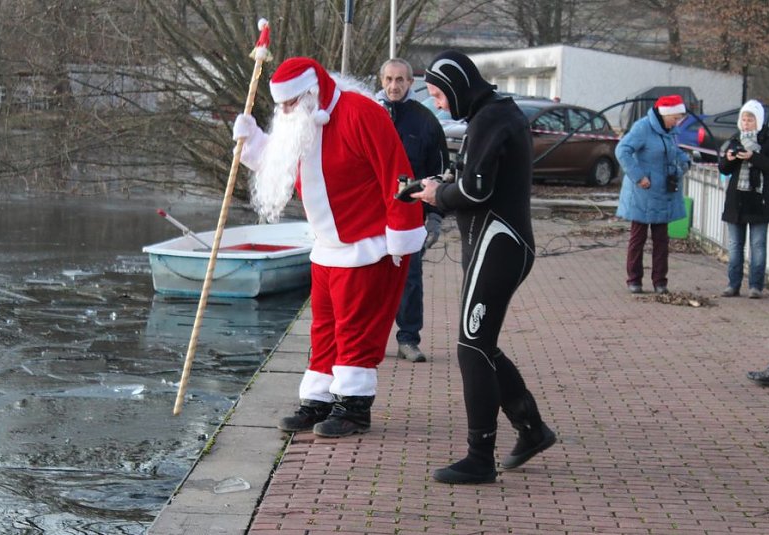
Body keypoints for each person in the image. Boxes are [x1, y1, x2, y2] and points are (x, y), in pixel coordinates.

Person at [232, 57, 426, 438]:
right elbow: (281, 163)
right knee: (323, 328)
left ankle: (353, 407)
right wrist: (252, 142)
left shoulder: (360, 113)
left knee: (355, 329)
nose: (285, 111)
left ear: (310, 93)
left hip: (366, 244)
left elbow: (399, 173)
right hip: (326, 245)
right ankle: (318, 400)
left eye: (290, 103)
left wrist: (403, 231)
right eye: (281, 105)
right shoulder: (298, 122)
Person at [412, 50, 556, 484]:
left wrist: (439, 196)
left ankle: (480, 457)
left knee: (471, 348)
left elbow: (475, 192)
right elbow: (475, 182)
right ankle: (531, 430)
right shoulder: (493, 114)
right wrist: (441, 187)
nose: (437, 103)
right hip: (498, 247)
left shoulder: (491, 119)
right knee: (483, 344)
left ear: (456, 88)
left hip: (500, 247)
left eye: (438, 94)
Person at [376, 58, 449, 363]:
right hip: (372, 214)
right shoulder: (370, 115)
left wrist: (435, 215)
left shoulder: (425, 121)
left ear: (410, 82)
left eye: (401, 80)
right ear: (382, 81)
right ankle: (371, 339)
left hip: (410, 215)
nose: (395, 86)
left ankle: (408, 338)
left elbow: (441, 171)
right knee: (369, 278)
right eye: (389, 79)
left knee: (410, 278)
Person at [615, 95, 691, 295]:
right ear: (665, 114)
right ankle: (634, 279)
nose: (678, 122)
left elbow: (673, 152)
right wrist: (638, 177)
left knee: (661, 239)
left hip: (663, 192)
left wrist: (685, 162)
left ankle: (660, 281)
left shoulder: (670, 131)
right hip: (643, 192)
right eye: (675, 117)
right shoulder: (642, 128)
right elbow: (622, 150)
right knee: (638, 237)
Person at [717, 99, 769, 299]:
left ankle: (756, 285)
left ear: (758, 120)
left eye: (750, 119)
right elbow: (723, 168)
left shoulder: (768, 140)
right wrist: (729, 159)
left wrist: (752, 157)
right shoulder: (735, 139)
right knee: (734, 245)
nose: (747, 123)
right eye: (744, 119)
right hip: (736, 200)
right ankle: (733, 284)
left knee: (758, 245)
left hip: (759, 201)